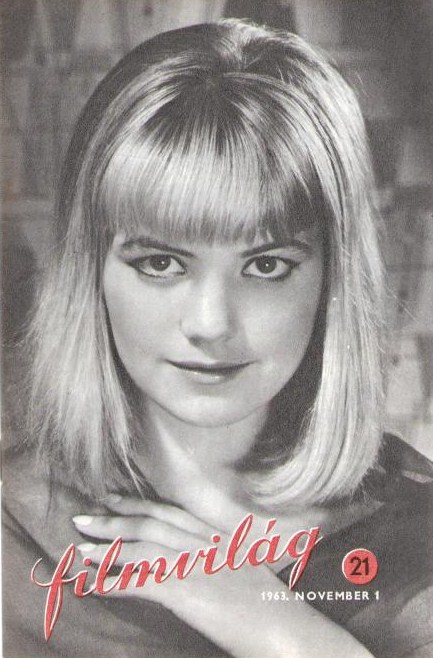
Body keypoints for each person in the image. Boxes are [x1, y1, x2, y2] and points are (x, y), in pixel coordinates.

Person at [3, 19, 433, 658]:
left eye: (266, 265)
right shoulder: (12, 530)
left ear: (332, 279)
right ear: (89, 270)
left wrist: (280, 630)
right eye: (160, 263)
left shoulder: (418, 529)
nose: (210, 323)